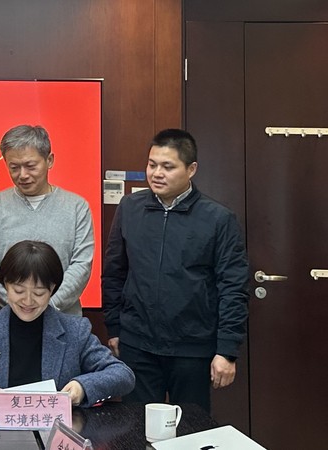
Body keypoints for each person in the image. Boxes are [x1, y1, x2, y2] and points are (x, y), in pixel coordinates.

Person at [102, 128, 249, 413]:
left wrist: (227, 350)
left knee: (191, 427)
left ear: (191, 169)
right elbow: (114, 272)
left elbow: (233, 288)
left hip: (192, 348)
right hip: (137, 344)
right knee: (136, 426)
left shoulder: (218, 219)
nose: (157, 173)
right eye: (152, 164)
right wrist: (115, 327)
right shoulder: (130, 208)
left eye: (168, 167)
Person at [0, 240, 134, 407]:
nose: (28, 301)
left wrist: (82, 386)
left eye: (39, 293)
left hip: (54, 431)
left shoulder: (75, 331)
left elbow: (123, 375)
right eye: (19, 291)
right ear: (5, 285)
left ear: (52, 289)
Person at [0, 125, 94, 316]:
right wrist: (21, 305)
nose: (22, 175)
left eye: (30, 166)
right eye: (14, 167)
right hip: (4, 318)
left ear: (49, 160)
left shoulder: (76, 207)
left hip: (63, 318)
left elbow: (81, 265)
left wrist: (46, 306)